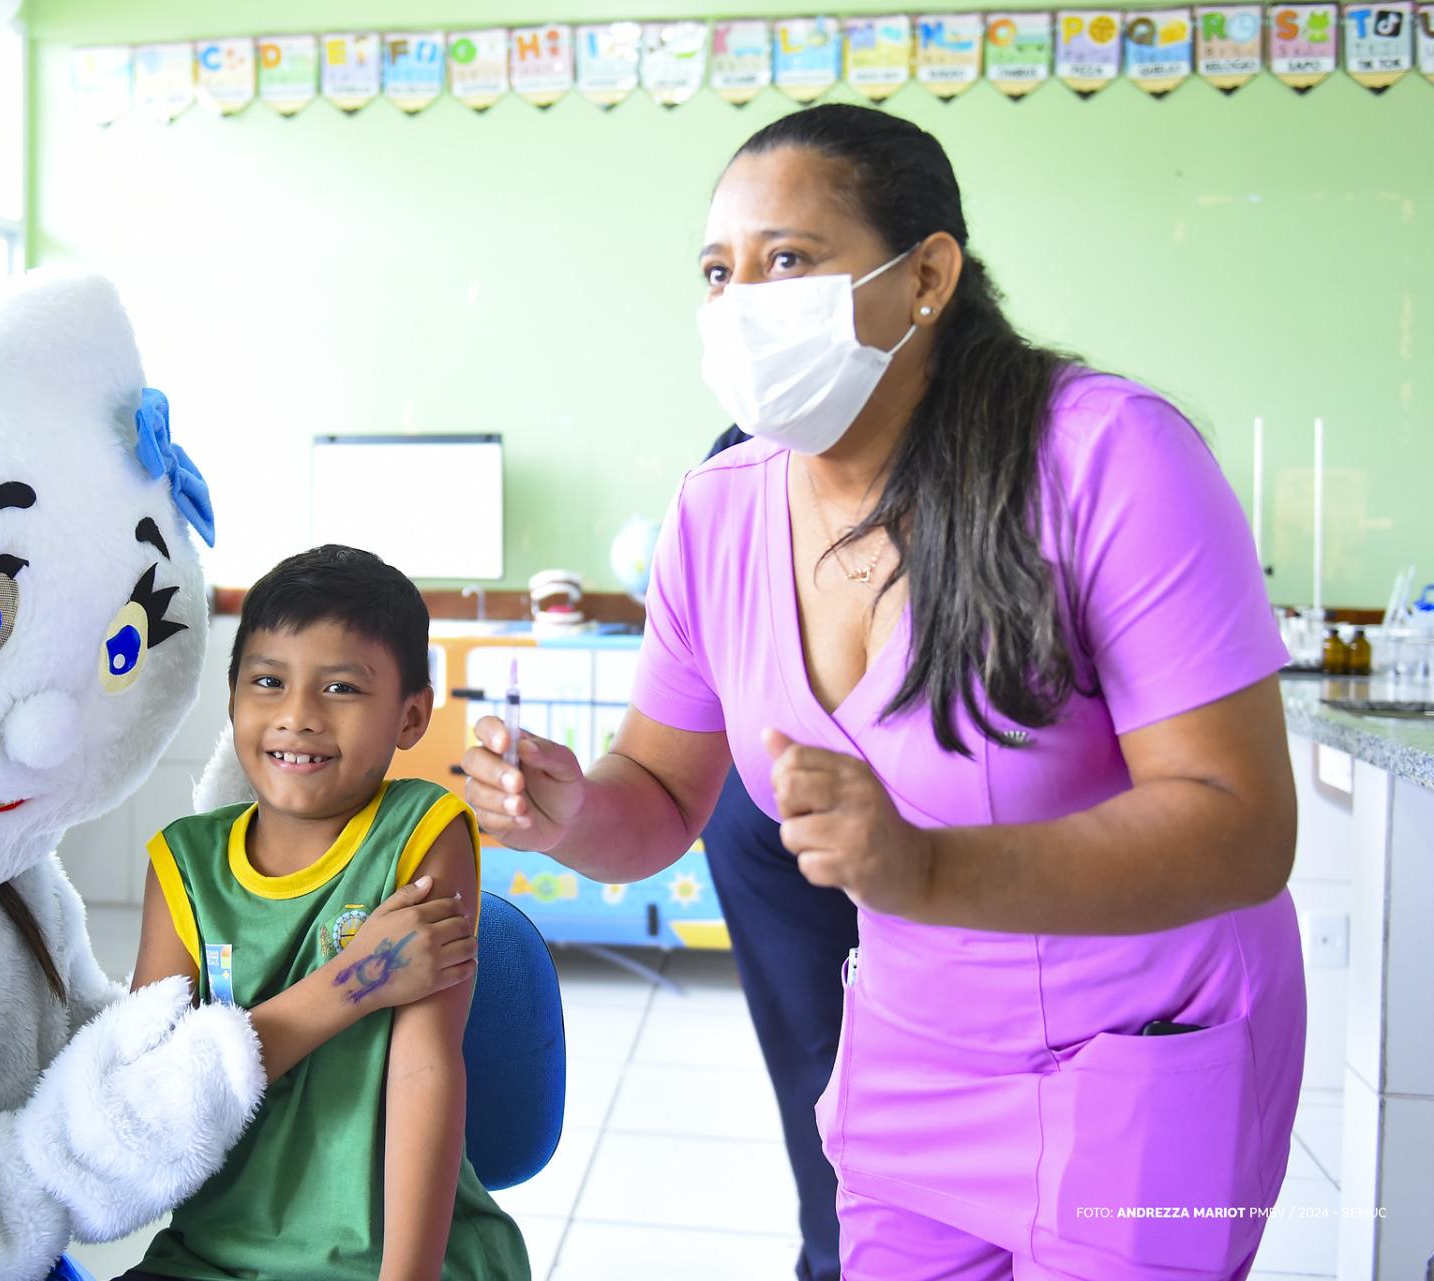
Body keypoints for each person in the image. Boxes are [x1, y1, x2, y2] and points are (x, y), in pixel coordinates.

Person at [463, 105, 1304, 1281]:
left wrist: (931, 870)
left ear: (928, 279)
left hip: (1141, 1061)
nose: (740, 302)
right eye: (718, 272)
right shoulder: (719, 512)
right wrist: (572, 814)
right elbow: (658, 791)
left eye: (788, 260)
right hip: (913, 1062)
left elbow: (1243, 822)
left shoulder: (1108, 458)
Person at [126, 544, 530, 1281]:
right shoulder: (180, 866)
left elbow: (423, 1071)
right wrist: (361, 977)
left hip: (397, 1259)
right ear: (232, 697)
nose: (298, 716)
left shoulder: (422, 832)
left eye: (341, 687)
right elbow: (160, 1103)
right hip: (210, 1258)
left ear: (411, 715)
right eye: (269, 681)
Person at [700, 423, 857, 1281]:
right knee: (818, 1057)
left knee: (832, 1052)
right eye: (719, 273)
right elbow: (650, 774)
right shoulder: (723, 490)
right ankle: (836, 1254)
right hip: (759, 793)